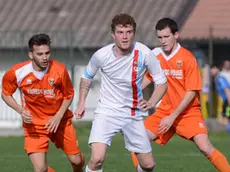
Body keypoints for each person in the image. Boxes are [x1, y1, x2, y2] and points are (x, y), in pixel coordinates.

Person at [131, 18, 230, 172]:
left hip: (188, 112)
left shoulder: (187, 58)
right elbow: (148, 78)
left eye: (166, 36)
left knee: (205, 147)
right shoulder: (156, 56)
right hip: (165, 111)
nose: (163, 41)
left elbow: (191, 93)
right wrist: (130, 92)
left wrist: (172, 117)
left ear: (176, 35)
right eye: (160, 37)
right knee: (136, 139)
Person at [74, 13, 167, 172]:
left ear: (134, 34)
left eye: (128, 32)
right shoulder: (101, 55)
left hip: (132, 113)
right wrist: (82, 102)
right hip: (106, 112)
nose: (125, 37)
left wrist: (151, 102)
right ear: (113, 35)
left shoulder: (144, 53)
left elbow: (162, 82)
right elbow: (86, 78)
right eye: (120, 32)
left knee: (148, 165)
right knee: (97, 159)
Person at [1, 33, 85, 172]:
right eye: (40, 54)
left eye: (47, 53)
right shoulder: (17, 72)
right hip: (34, 125)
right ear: (31, 55)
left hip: (61, 121)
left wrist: (58, 116)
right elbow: (6, 94)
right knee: (40, 169)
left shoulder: (59, 70)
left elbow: (68, 95)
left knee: (76, 160)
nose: (45, 57)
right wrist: (20, 110)